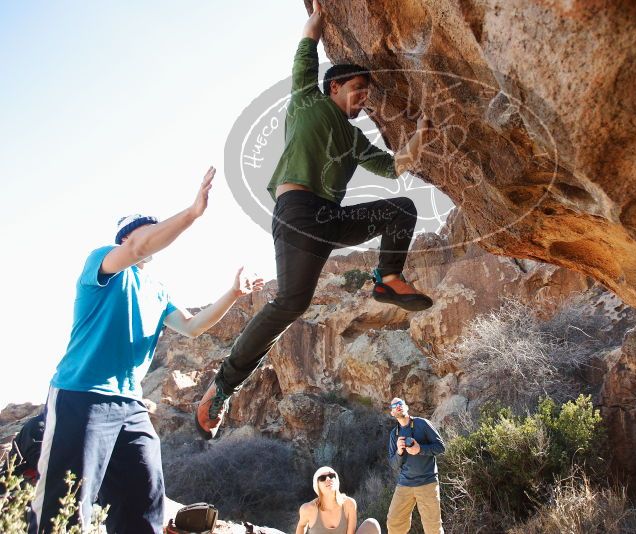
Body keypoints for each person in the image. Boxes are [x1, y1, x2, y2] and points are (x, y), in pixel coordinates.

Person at [195, 0, 435, 439]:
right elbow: (305, 49)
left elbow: (395, 167)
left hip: (331, 219)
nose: (364, 97)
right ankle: (222, 387)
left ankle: (388, 279)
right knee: (291, 303)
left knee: (401, 208)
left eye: (367, 91)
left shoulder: (355, 138)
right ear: (335, 86)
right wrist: (319, 16)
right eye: (358, 89)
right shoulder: (307, 100)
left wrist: (419, 137)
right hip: (299, 211)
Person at [29, 167, 265, 534]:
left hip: (130, 408)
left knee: (144, 504)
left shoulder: (156, 289)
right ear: (126, 238)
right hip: (81, 397)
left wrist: (233, 294)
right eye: (146, 228)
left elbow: (193, 326)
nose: (154, 234)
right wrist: (191, 214)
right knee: (67, 506)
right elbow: (139, 247)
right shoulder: (102, 262)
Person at [386, 398, 445, 534]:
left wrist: (420, 449)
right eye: (394, 406)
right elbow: (394, 465)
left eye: (400, 403)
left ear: (406, 407)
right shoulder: (394, 434)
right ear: (392, 412)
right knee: (394, 523)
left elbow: (441, 447)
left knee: (433, 528)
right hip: (404, 484)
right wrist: (399, 452)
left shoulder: (422, 424)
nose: (398, 406)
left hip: (427, 483)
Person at [295, 466, 381, 534]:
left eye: (332, 476)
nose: (328, 479)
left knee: (371, 524)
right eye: (322, 478)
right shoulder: (307, 509)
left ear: (337, 481)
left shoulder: (349, 504)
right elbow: (301, 526)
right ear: (317, 486)